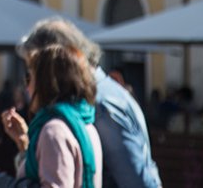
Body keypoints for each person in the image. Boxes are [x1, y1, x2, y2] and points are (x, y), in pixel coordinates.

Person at [17, 18, 162, 188]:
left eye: (34, 70)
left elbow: (136, 182)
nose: (29, 83)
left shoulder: (100, 104)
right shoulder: (93, 99)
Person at [0, 45, 102, 188]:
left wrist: (0, 183)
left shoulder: (54, 131)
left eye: (29, 78)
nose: (27, 87)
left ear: (45, 83)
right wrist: (24, 144)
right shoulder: (85, 124)